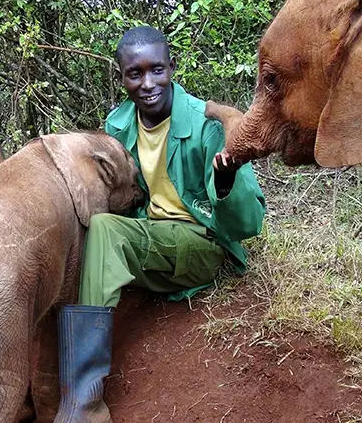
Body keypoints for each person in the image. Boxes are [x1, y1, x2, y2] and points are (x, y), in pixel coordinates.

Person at [53, 26, 266, 422]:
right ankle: (64, 379)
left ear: (172, 67)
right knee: (88, 226)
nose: (147, 84)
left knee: (104, 230)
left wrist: (225, 183)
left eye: (156, 70)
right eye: (135, 74)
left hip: (201, 244)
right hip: (150, 241)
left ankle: (85, 402)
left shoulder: (206, 125)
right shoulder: (118, 126)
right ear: (122, 77)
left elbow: (249, 224)